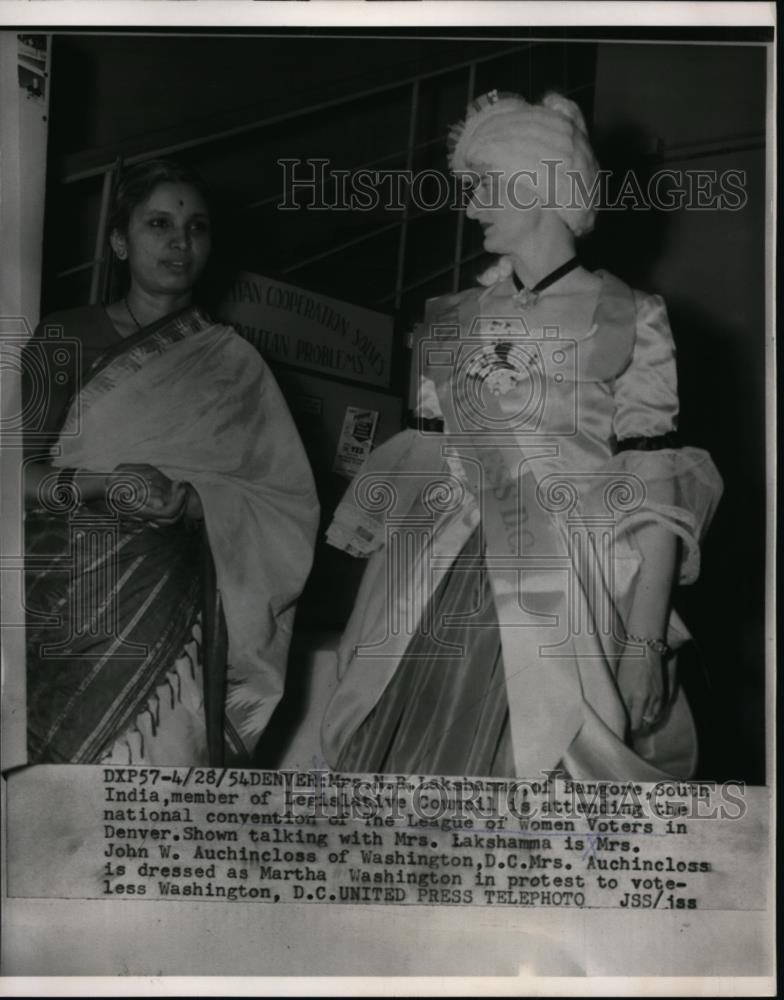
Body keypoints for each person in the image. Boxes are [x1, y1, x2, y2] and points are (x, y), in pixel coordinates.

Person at [323, 91, 723, 781]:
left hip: (573, 587)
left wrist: (644, 644)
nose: (472, 207)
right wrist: (370, 619)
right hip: (438, 583)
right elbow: (421, 476)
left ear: (539, 184)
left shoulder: (632, 314)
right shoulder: (449, 317)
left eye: (486, 188)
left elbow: (655, 492)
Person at [23, 159, 319, 765]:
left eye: (197, 228)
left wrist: (190, 501)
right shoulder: (63, 338)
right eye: (158, 223)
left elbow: (284, 503)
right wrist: (109, 485)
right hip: (70, 591)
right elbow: (12, 478)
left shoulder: (235, 364)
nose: (180, 243)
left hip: (180, 608)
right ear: (118, 240)